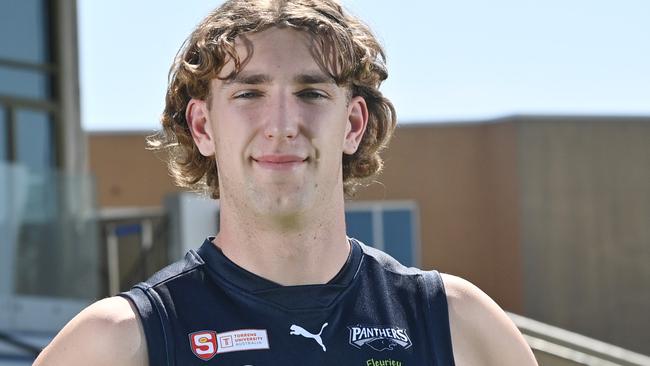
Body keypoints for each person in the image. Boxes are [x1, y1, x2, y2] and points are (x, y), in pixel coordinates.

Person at [35, 0, 538, 365]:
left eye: (312, 92)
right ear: (203, 126)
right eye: (249, 92)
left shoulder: (459, 327)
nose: (281, 123)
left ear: (354, 124)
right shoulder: (116, 344)